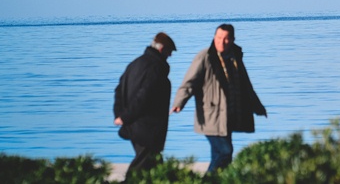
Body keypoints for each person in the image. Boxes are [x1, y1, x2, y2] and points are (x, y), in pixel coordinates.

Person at [171, 24, 267, 172]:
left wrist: (258, 107)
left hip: (228, 117)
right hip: (211, 116)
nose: (221, 42)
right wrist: (179, 102)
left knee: (220, 155)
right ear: (214, 37)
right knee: (225, 152)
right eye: (219, 37)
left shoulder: (235, 58)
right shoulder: (205, 57)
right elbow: (189, 83)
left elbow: (246, 86)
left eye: (226, 38)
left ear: (233, 40)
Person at [113, 32, 176, 175]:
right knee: (140, 169)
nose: (170, 56)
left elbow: (119, 91)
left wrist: (120, 115)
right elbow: (145, 96)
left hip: (134, 127)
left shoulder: (134, 64)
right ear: (161, 49)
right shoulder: (156, 67)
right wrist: (125, 117)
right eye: (169, 52)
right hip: (147, 129)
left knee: (156, 169)